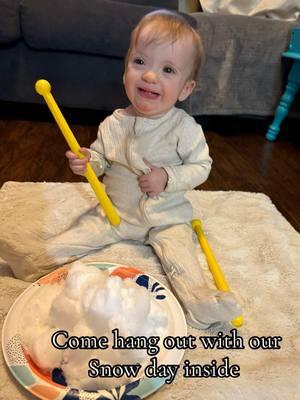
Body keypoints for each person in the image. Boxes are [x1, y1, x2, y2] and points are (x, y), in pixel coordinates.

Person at [59, 9, 241, 329]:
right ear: (125, 71)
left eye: (167, 69)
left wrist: (168, 177)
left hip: (166, 217)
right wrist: (88, 162)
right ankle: (32, 257)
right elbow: (101, 160)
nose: (150, 76)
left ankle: (200, 303)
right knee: (73, 237)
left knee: (180, 257)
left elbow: (202, 166)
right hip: (116, 214)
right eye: (140, 62)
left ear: (185, 89)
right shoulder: (114, 123)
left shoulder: (184, 128)